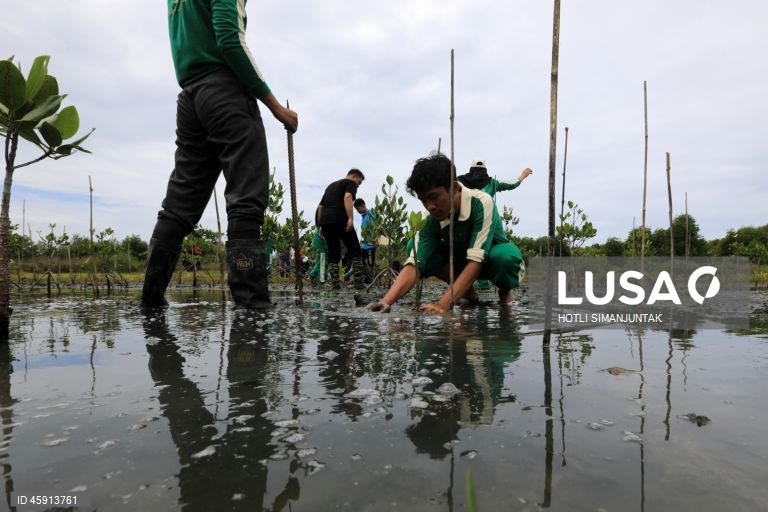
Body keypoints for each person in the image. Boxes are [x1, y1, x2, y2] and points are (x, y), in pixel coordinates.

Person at [141, 0, 298, 309]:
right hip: (225, 93)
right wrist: (275, 106)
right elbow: (229, 38)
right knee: (245, 200)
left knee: (178, 205)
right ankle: (252, 309)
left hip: (190, 98)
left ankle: (150, 302)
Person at [367, 153, 524, 314]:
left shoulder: (482, 203)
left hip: (490, 258)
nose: (430, 206)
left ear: (455, 188)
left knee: (506, 257)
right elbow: (414, 264)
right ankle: (466, 291)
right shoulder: (431, 218)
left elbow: (476, 261)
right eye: (424, 200)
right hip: (460, 261)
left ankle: (504, 291)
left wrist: (442, 305)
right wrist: (386, 302)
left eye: (434, 197)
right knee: (412, 247)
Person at [458, 157, 532, 290]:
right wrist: (522, 176)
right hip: (490, 221)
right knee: (496, 246)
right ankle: (486, 283)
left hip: (469, 223)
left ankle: (478, 283)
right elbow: (511, 184)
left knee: (475, 249)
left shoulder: (460, 182)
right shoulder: (491, 183)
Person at [317, 169, 366, 290]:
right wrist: (350, 218)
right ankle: (358, 283)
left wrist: (320, 225)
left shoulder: (330, 186)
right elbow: (348, 196)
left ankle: (335, 283)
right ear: (354, 176)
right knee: (355, 250)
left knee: (333, 253)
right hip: (341, 220)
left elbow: (320, 206)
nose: (357, 186)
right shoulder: (350, 183)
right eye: (359, 183)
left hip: (326, 222)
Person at [353, 198, 376, 283]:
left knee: (371, 263)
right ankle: (366, 278)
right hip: (363, 245)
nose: (358, 211)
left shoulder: (371, 214)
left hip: (371, 244)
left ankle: (372, 281)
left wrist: (376, 240)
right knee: (362, 261)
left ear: (363, 206)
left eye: (358, 209)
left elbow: (376, 228)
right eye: (356, 210)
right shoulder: (363, 216)